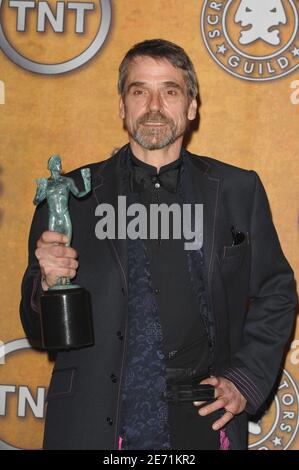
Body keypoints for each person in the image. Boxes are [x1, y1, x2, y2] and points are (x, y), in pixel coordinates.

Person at [20, 39, 297, 450]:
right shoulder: (71, 196)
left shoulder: (239, 190)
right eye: (139, 91)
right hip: (94, 426)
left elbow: (277, 290)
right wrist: (47, 287)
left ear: (191, 107)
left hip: (204, 423)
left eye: (169, 91)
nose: (153, 105)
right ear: (122, 107)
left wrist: (244, 380)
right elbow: (39, 332)